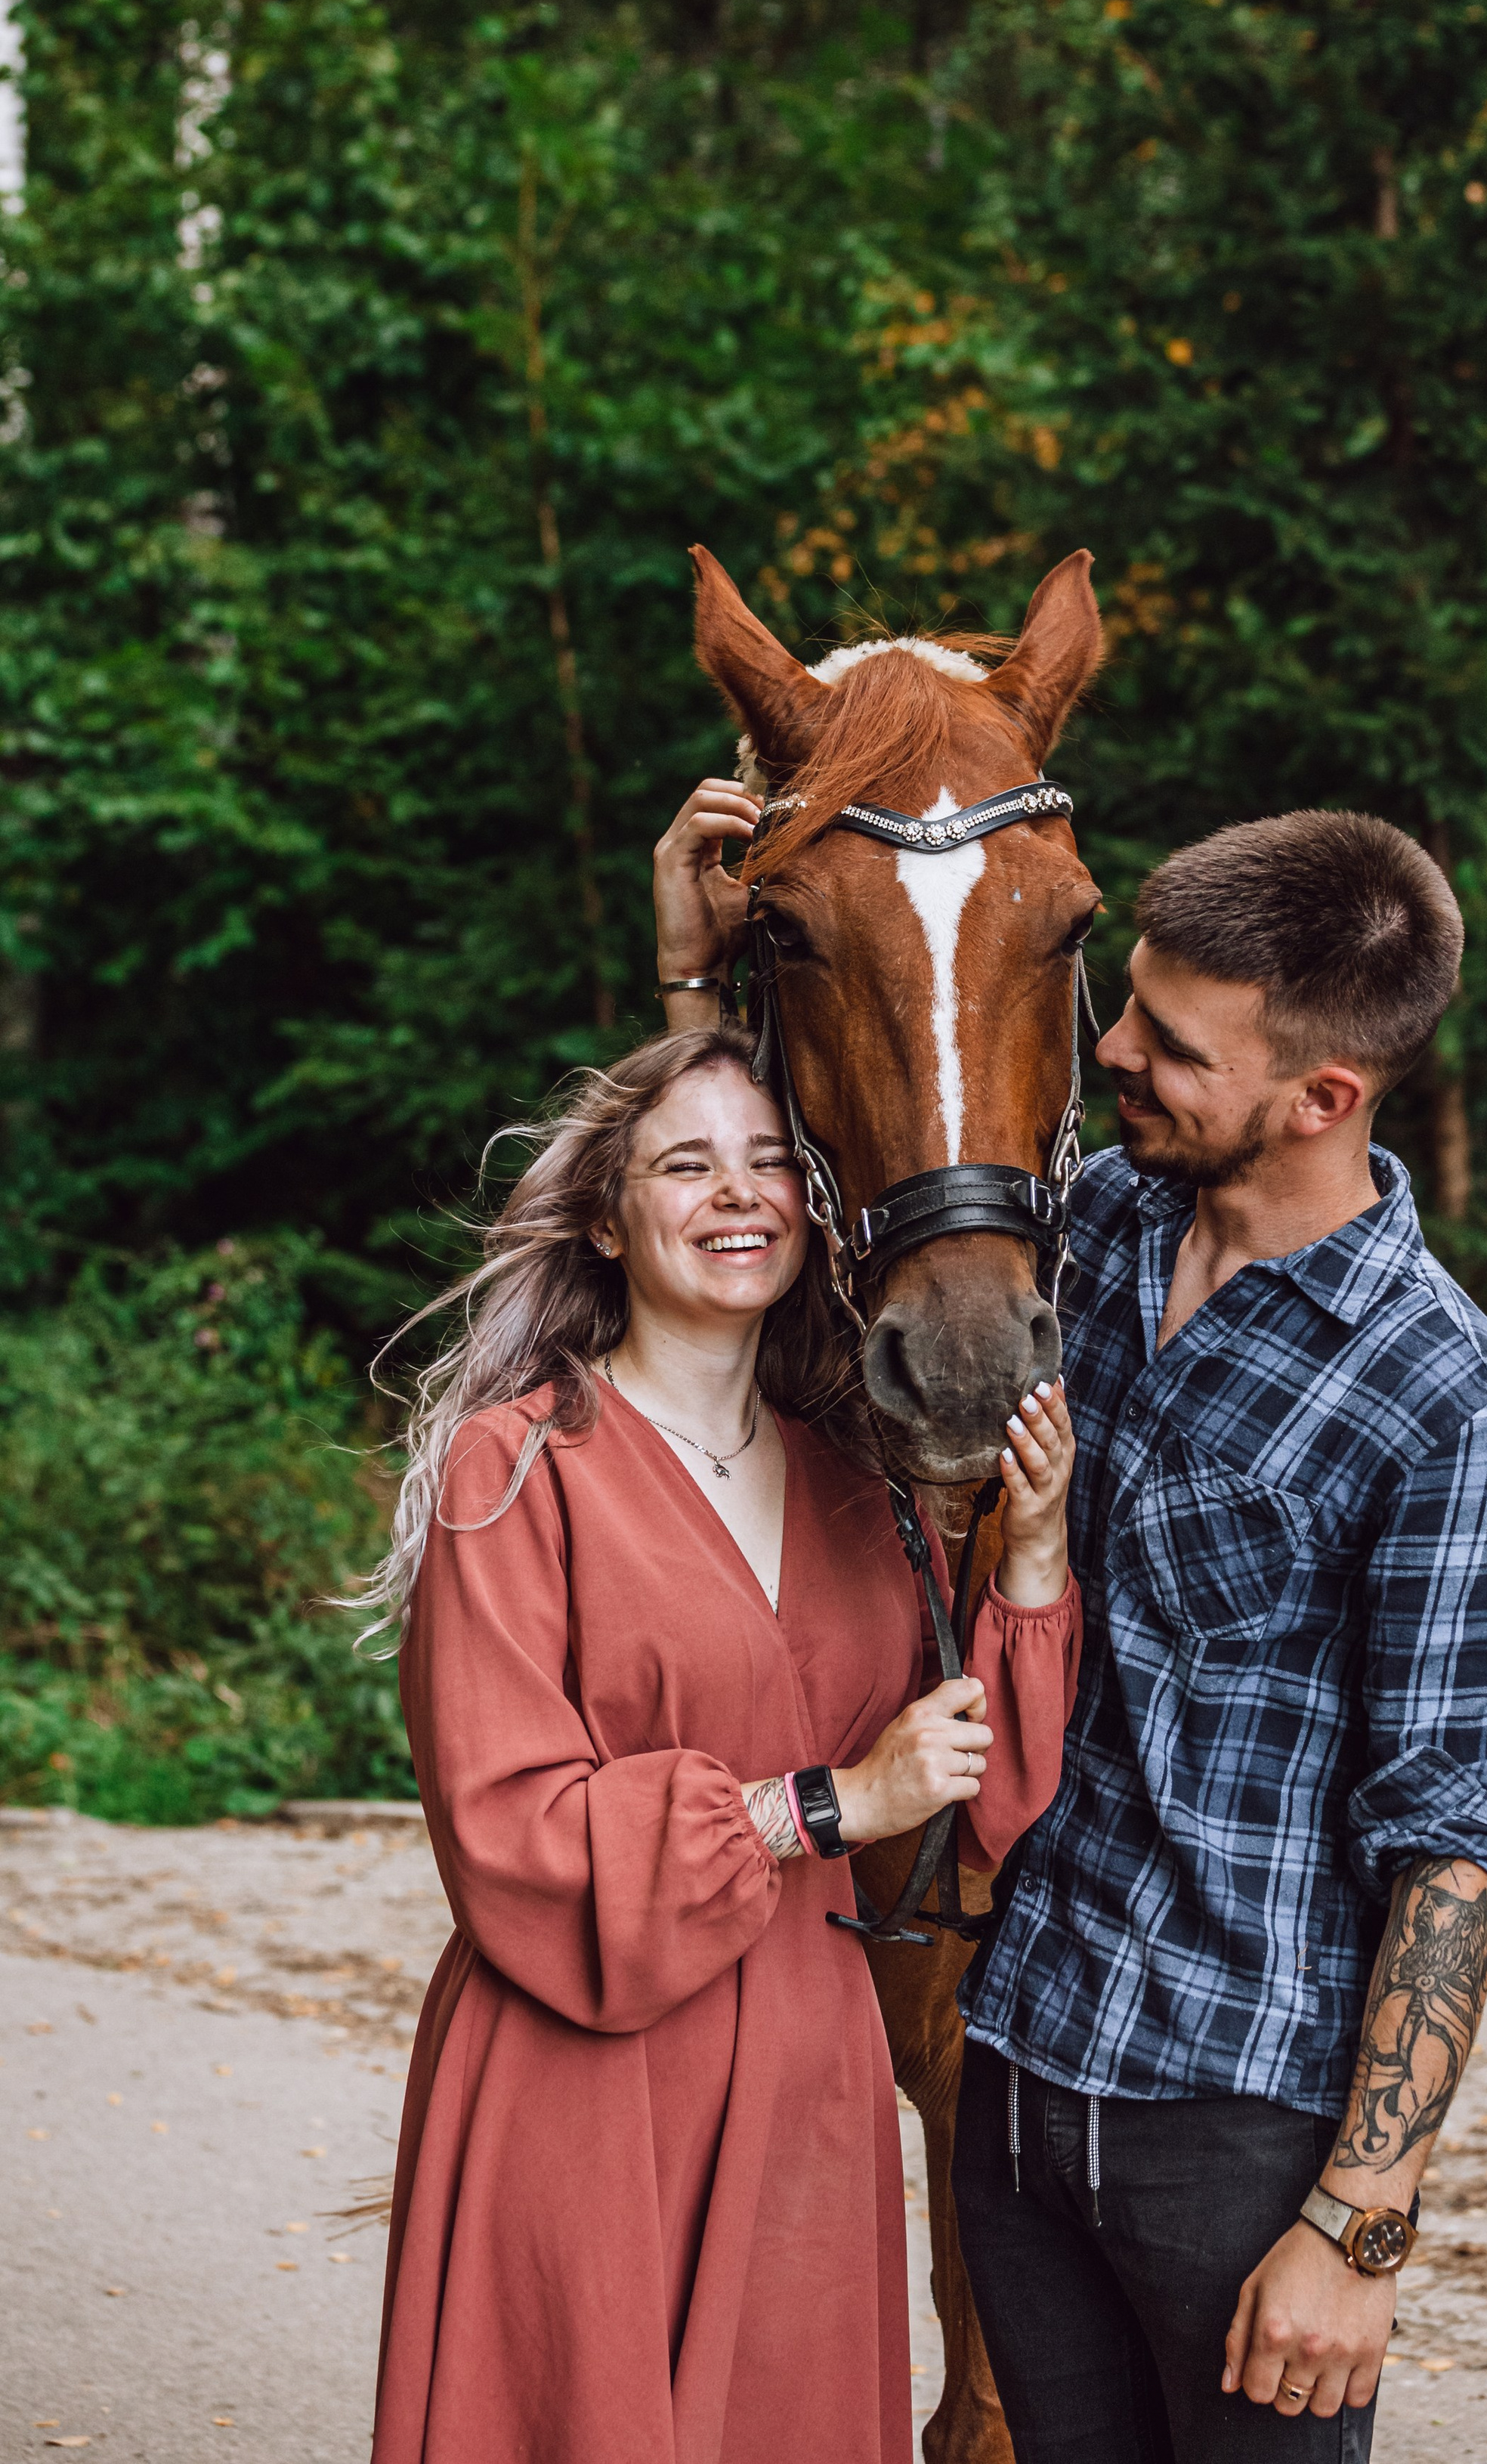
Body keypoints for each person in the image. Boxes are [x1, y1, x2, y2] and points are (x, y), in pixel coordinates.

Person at [654, 788, 1487, 2464]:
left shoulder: (1450, 1405)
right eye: (1126, 1001)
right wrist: (700, 982)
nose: (1113, 1052)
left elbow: (1456, 1838)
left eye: (1171, 1045)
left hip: (1228, 2126)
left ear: (1321, 1097)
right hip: (1018, 2066)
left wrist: (1357, 2225)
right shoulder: (1092, 1233)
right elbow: (770, 1204)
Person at [357, 1025, 1082, 2464]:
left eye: (768, 1161)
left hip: (810, 2069)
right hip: (585, 2063)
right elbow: (509, 1831)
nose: (737, 1192)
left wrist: (1036, 1553)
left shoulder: (858, 1482)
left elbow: (981, 1801)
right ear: (605, 1217)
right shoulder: (515, 1464)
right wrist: (827, 1803)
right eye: (686, 1164)